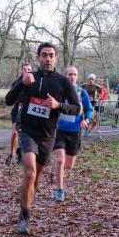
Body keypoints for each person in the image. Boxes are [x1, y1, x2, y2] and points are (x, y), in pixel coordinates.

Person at [5, 42, 80, 235]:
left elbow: (76, 107)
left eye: (51, 55)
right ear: (38, 57)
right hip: (28, 131)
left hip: (48, 136)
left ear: (56, 59)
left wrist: (58, 106)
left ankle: (27, 204)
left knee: (35, 177)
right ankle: (24, 216)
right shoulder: (28, 78)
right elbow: (8, 100)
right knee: (29, 172)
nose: (48, 59)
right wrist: (22, 83)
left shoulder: (63, 82)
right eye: (44, 55)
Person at [52, 66, 93, 201]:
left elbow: (89, 109)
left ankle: (59, 170)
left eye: (74, 74)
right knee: (60, 160)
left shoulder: (81, 92)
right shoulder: (59, 90)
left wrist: (86, 119)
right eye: (69, 74)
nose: (72, 77)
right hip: (59, 131)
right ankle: (60, 190)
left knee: (68, 165)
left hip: (75, 132)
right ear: (65, 76)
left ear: (77, 77)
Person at [6, 63, 33, 166]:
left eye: (29, 69)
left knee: (25, 134)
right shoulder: (17, 82)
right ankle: (12, 154)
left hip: (27, 110)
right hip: (17, 110)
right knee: (15, 133)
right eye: (25, 69)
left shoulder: (33, 81)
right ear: (22, 70)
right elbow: (10, 98)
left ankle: (21, 154)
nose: (27, 71)